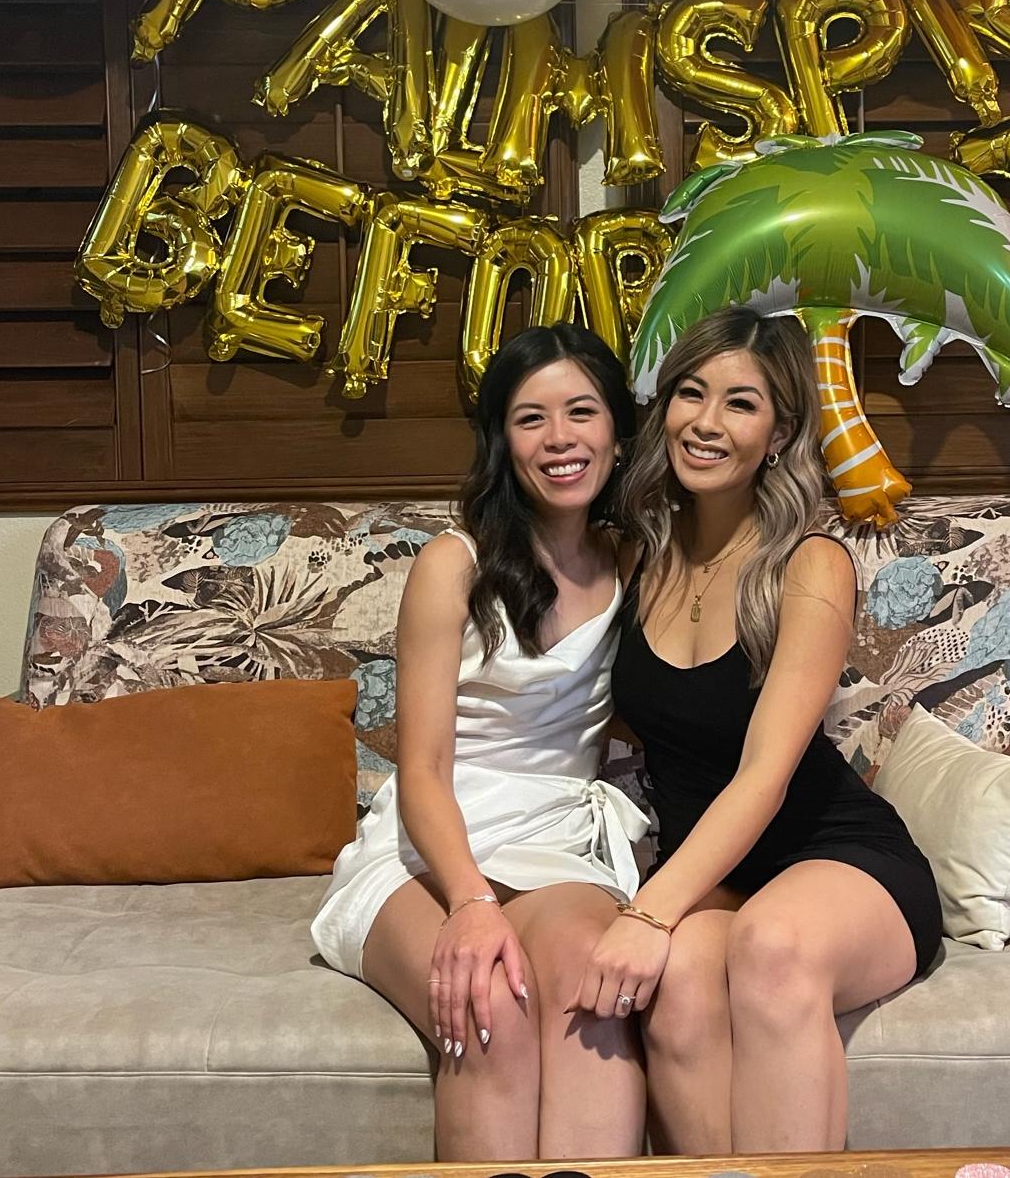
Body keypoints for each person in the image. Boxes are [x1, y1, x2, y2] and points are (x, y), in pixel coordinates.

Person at [581, 305, 944, 1154]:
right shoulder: (634, 556)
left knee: (770, 946)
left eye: (739, 403)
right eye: (690, 392)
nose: (705, 422)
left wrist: (647, 911)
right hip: (719, 874)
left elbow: (763, 775)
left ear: (778, 433)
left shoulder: (808, 564)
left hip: (838, 860)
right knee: (677, 985)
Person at [311, 323, 650, 1162]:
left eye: (582, 411)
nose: (560, 437)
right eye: (531, 418)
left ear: (617, 432)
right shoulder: (453, 563)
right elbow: (422, 767)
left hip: (555, 837)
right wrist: (468, 902)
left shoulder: (636, 560)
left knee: (592, 993)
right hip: (431, 842)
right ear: (502, 440)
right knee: (486, 1004)